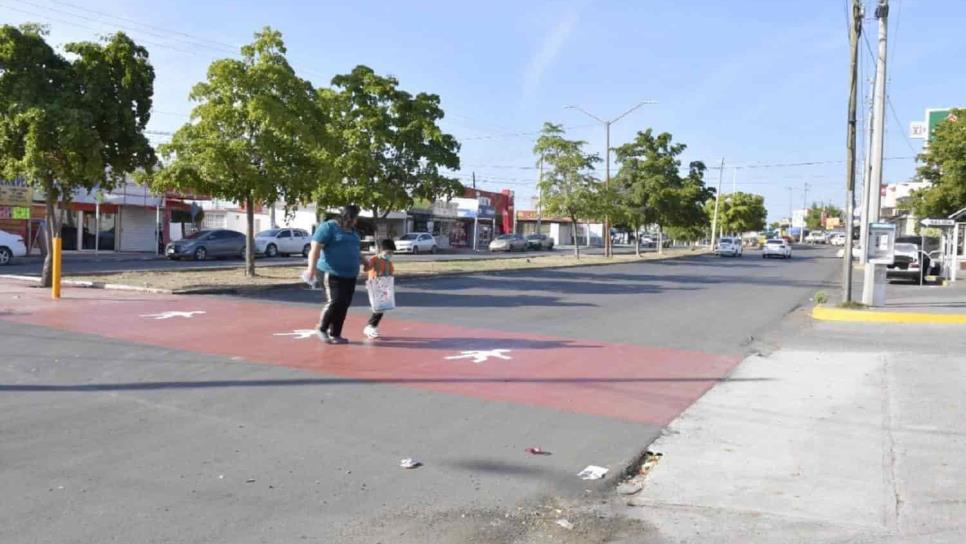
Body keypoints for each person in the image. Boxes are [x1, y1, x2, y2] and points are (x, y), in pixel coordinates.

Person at [304, 205, 364, 344]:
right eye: (355, 217)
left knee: (344, 303)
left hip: (350, 274)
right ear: (348, 216)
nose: (357, 220)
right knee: (335, 301)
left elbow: (355, 250)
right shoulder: (329, 227)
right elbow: (315, 248)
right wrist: (311, 269)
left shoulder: (353, 232)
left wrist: (365, 262)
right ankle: (322, 328)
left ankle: (336, 334)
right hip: (330, 272)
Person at [363, 239, 396, 339]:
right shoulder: (374, 259)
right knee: (377, 308)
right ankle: (370, 327)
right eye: (387, 252)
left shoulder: (388, 262)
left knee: (382, 309)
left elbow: (391, 274)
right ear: (381, 250)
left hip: (384, 288)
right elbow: (366, 269)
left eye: (391, 253)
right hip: (374, 287)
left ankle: (373, 326)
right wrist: (367, 263)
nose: (389, 255)